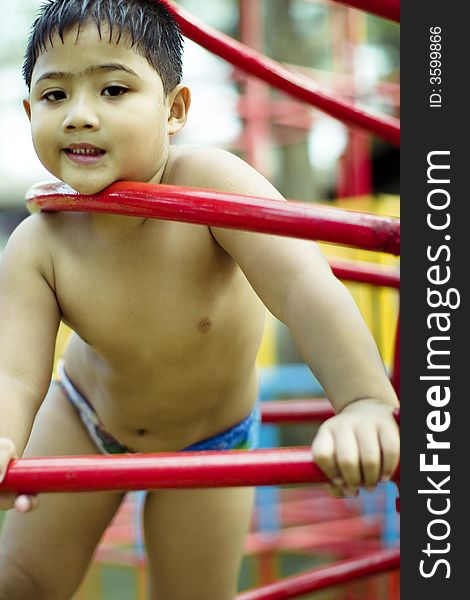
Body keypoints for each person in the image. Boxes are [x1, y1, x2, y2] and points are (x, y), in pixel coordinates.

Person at [0, 0, 399, 598]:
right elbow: (14, 372)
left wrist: (364, 400)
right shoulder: (39, 241)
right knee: (23, 582)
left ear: (174, 110)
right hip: (84, 419)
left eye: (112, 89)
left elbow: (303, 286)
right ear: (30, 110)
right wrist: (5, 437)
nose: (80, 116)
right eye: (56, 96)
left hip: (213, 439)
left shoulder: (215, 186)